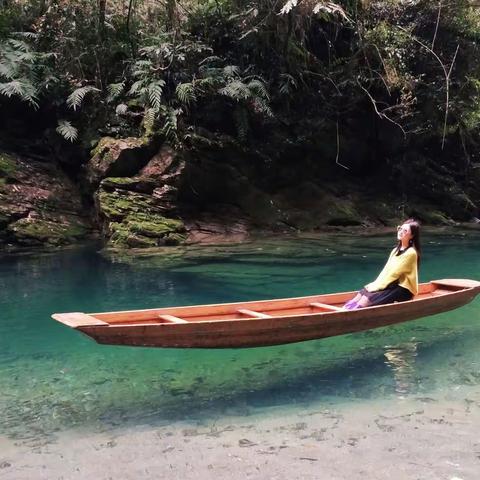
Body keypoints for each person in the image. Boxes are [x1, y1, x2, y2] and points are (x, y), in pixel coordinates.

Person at [344, 219, 421, 309]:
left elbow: (393, 274)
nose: (400, 232)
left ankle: (349, 314)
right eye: (400, 229)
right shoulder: (395, 250)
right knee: (361, 294)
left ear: (412, 235)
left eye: (405, 231)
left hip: (403, 289)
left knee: (366, 299)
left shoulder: (411, 253)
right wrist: (374, 284)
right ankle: (344, 310)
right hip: (392, 284)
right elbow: (386, 271)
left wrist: (376, 287)